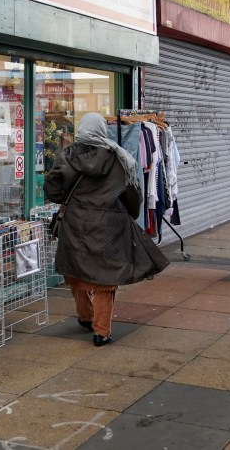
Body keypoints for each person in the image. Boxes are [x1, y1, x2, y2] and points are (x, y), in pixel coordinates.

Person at [44, 112, 141, 346]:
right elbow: (131, 192)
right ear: (102, 130)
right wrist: (130, 213)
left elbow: (53, 190)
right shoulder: (119, 157)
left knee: (77, 272)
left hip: (76, 221)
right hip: (109, 223)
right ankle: (102, 331)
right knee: (105, 279)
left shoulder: (67, 156)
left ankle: (85, 317)